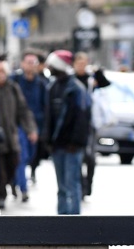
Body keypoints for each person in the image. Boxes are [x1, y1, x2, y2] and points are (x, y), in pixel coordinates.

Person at [41, 50, 90, 215]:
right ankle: (61, 220)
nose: (49, 68)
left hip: (71, 146)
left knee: (72, 184)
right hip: (57, 145)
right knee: (61, 186)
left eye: (52, 65)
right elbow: (49, 117)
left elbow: (82, 118)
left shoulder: (76, 88)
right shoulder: (52, 87)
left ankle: (74, 222)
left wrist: (76, 143)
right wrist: (48, 141)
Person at [0, 59, 36, 208]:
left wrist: (30, 129)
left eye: (2, 72)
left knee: (14, 162)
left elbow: (23, 110)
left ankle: (9, 184)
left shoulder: (12, 88)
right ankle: (1, 195)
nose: (0, 75)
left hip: (12, 135)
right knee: (0, 169)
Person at [11, 50, 50, 191]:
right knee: (21, 154)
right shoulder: (14, 80)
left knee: (32, 155)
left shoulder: (42, 83)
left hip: (36, 125)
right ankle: (22, 186)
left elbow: (46, 106)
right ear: (22, 64)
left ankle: (22, 177)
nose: (31, 65)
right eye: (28, 62)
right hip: (19, 124)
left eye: (34, 63)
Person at [73, 52, 110, 199]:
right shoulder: (71, 79)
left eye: (84, 63)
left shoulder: (90, 79)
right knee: (78, 157)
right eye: (79, 63)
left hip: (90, 123)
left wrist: (97, 72)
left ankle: (88, 185)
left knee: (90, 157)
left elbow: (106, 84)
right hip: (75, 123)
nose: (82, 66)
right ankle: (81, 185)